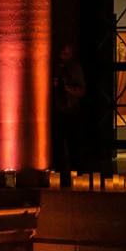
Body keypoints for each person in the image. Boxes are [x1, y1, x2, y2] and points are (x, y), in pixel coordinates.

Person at [52, 43, 87, 172]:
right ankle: (61, 171)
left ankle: (75, 172)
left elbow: (81, 90)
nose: (63, 57)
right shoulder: (55, 68)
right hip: (57, 111)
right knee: (58, 145)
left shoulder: (74, 69)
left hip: (71, 111)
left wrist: (66, 87)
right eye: (61, 54)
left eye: (66, 54)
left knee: (74, 145)